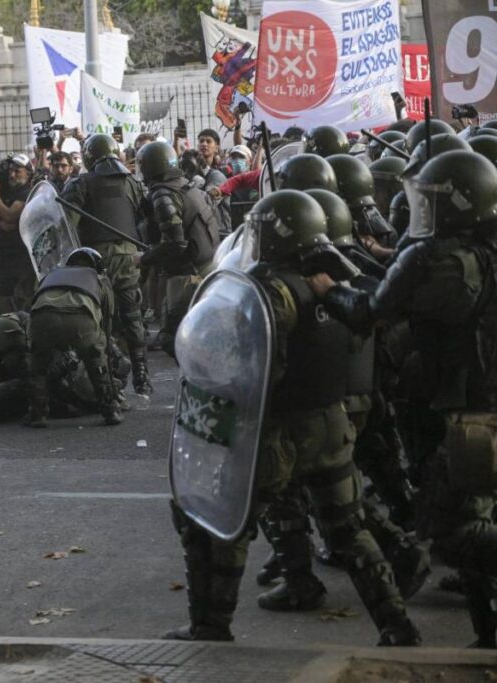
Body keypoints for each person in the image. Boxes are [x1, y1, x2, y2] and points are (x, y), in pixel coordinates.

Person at [166, 189, 420, 647]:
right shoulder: (331, 283)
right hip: (330, 426)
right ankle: (396, 626)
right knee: (347, 529)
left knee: (219, 524)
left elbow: (226, 353)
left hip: (276, 432)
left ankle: (210, 625)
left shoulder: (272, 292)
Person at [308, 150, 497, 649]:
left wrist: (328, 289)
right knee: (474, 515)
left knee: (449, 528)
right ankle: (487, 633)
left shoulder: (431, 258)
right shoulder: (481, 247)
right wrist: (383, 258)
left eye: (431, 202)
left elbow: (371, 311)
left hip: (470, 413)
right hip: (483, 400)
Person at [61, 134, 151, 395]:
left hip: (96, 259)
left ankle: (108, 377)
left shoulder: (81, 182)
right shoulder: (133, 182)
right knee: (132, 316)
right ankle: (142, 375)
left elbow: (67, 223)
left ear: (90, 156)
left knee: (99, 319)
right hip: (130, 255)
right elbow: (144, 217)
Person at [136, 141, 220, 356]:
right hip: (207, 266)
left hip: (187, 275)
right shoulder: (185, 185)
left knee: (175, 340)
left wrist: (144, 259)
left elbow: (176, 242)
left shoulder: (163, 194)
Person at [26, 247, 121, 427]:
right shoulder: (99, 279)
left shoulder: (51, 275)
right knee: (96, 360)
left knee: (38, 366)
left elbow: (34, 302)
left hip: (42, 317)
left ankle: (37, 414)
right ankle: (110, 411)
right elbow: (107, 322)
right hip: (81, 319)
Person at [0, 154, 35, 313]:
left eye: (17, 171)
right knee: (2, 296)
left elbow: (9, 216)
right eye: (11, 171)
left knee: (23, 299)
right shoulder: (7, 192)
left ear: (27, 173)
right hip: (5, 255)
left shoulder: (27, 192)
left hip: (22, 257)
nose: (12, 175)